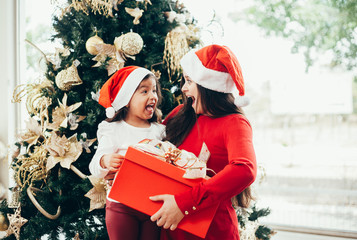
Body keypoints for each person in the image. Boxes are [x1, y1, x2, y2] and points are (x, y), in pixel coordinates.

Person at [149, 44, 257, 240]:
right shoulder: (178, 115)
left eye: (189, 81)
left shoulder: (235, 123)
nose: (183, 88)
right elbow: (151, 151)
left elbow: (244, 169)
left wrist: (185, 203)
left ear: (209, 86)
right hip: (169, 229)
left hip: (211, 232)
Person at [89, 66, 165, 240]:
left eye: (154, 90)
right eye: (144, 91)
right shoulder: (113, 129)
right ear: (127, 99)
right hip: (121, 207)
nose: (153, 96)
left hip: (152, 208)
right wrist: (105, 161)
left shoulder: (159, 131)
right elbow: (94, 165)